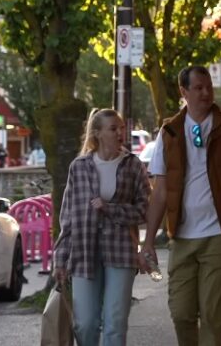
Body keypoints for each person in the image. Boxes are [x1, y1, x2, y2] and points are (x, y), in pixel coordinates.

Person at [139, 65, 221, 346]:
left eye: (209, 87)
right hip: (182, 237)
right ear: (184, 92)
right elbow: (159, 193)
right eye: (198, 88)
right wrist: (147, 241)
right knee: (181, 312)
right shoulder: (169, 132)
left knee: (212, 316)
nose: (206, 93)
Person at [53, 108, 150, 345]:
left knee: (115, 324)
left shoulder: (132, 165)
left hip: (121, 252)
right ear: (97, 134)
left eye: (121, 128)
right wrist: (60, 259)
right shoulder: (79, 167)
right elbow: (68, 218)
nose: (120, 133)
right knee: (84, 324)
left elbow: (145, 210)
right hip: (84, 252)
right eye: (113, 128)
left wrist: (111, 208)